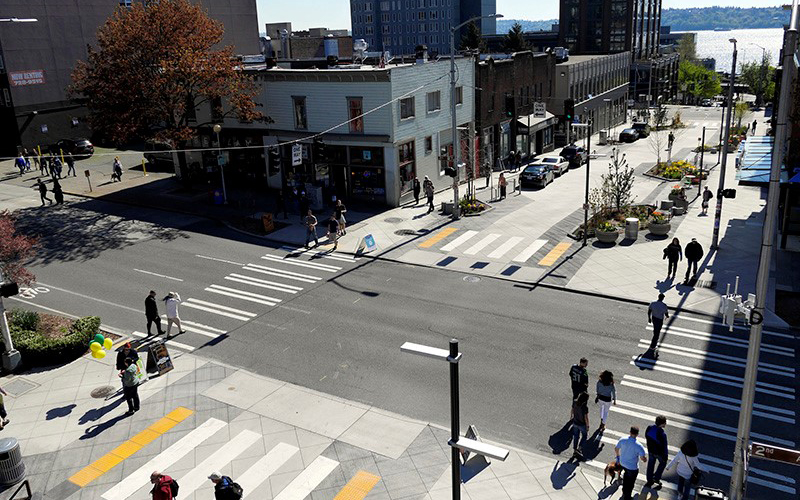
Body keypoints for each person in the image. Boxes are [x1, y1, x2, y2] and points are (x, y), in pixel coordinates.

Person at [615, 426, 647, 500]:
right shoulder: (639, 446)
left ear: (630, 432)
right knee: (631, 483)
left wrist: (618, 456)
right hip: (632, 467)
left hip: (622, 463)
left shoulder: (622, 439)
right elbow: (643, 458)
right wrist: (645, 459)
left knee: (626, 478)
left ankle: (624, 492)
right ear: (637, 434)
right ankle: (627, 497)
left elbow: (616, 448)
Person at [644, 415, 669, 489]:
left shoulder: (649, 428)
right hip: (659, 453)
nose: (665, 424)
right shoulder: (662, 434)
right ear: (662, 424)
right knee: (663, 463)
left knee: (651, 465)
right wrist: (665, 456)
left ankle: (649, 480)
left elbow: (646, 436)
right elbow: (665, 447)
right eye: (665, 423)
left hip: (651, 451)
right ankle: (656, 477)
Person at [570, 392, 590, 457]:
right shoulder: (584, 407)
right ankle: (579, 448)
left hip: (575, 422)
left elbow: (572, 410)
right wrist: (587, 426)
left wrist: (571, 417)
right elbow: (586, 418)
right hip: (582, 424)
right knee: (584, 436)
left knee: (576, 436)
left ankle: (575, 449)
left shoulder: (575, 402)